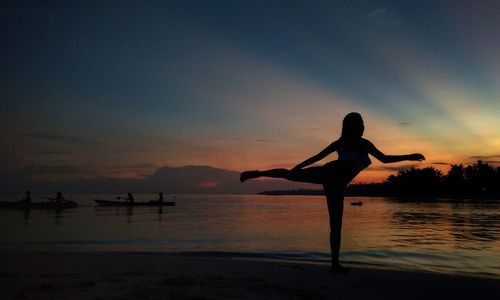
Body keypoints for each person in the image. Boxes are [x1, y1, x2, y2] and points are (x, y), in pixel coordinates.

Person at [240, 112, 425, 273]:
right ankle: (334, 265)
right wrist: (299, 166)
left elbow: (384, 159)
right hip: (333, 179)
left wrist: (408, 156)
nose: (362, 127)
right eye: (359, 124)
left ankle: (258, 173)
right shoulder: (351, 143)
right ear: (353, 127)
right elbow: (319, 156)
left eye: (362, 124)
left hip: (330, 177)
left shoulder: (353, 143)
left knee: (330, 220)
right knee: (335, 224)